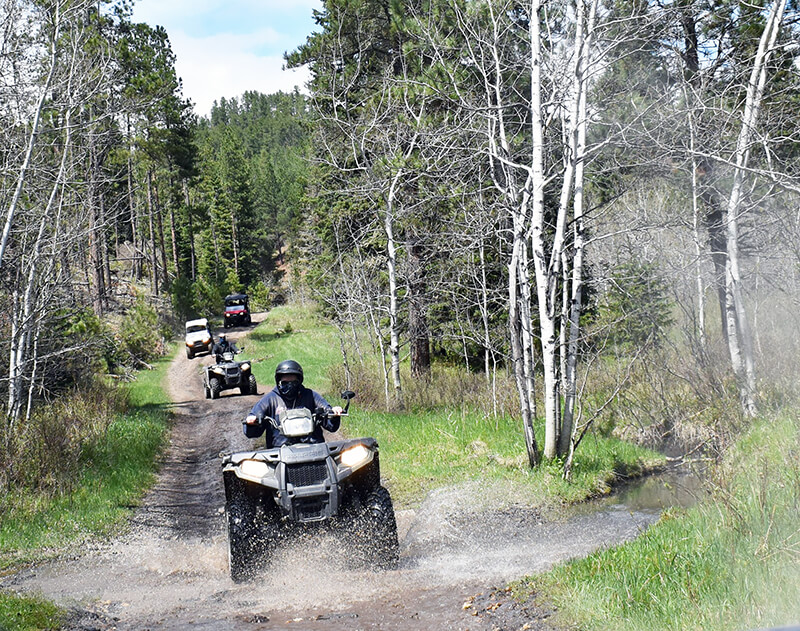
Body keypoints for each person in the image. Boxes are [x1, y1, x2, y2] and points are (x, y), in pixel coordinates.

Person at [243, 359, 343, 447]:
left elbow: (328, 416)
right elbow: (253, 425)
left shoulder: (310, 395)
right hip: (280, 452)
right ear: (278, 382)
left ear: (299, 381)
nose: (289, 386)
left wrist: (333, 414)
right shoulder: (270, 399)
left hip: (313, 447)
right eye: (285, 383)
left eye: (293, 383)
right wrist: (252, 422)